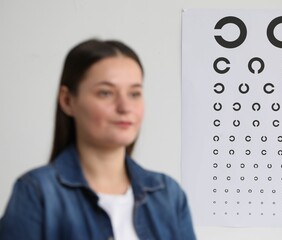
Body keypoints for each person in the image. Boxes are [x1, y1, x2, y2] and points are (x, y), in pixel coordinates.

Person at [0, 39, 196, 240]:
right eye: (106, 93)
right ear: (67, 100)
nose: (124, 107)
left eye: (134, 93)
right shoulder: (38, 192)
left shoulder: (168, 195)